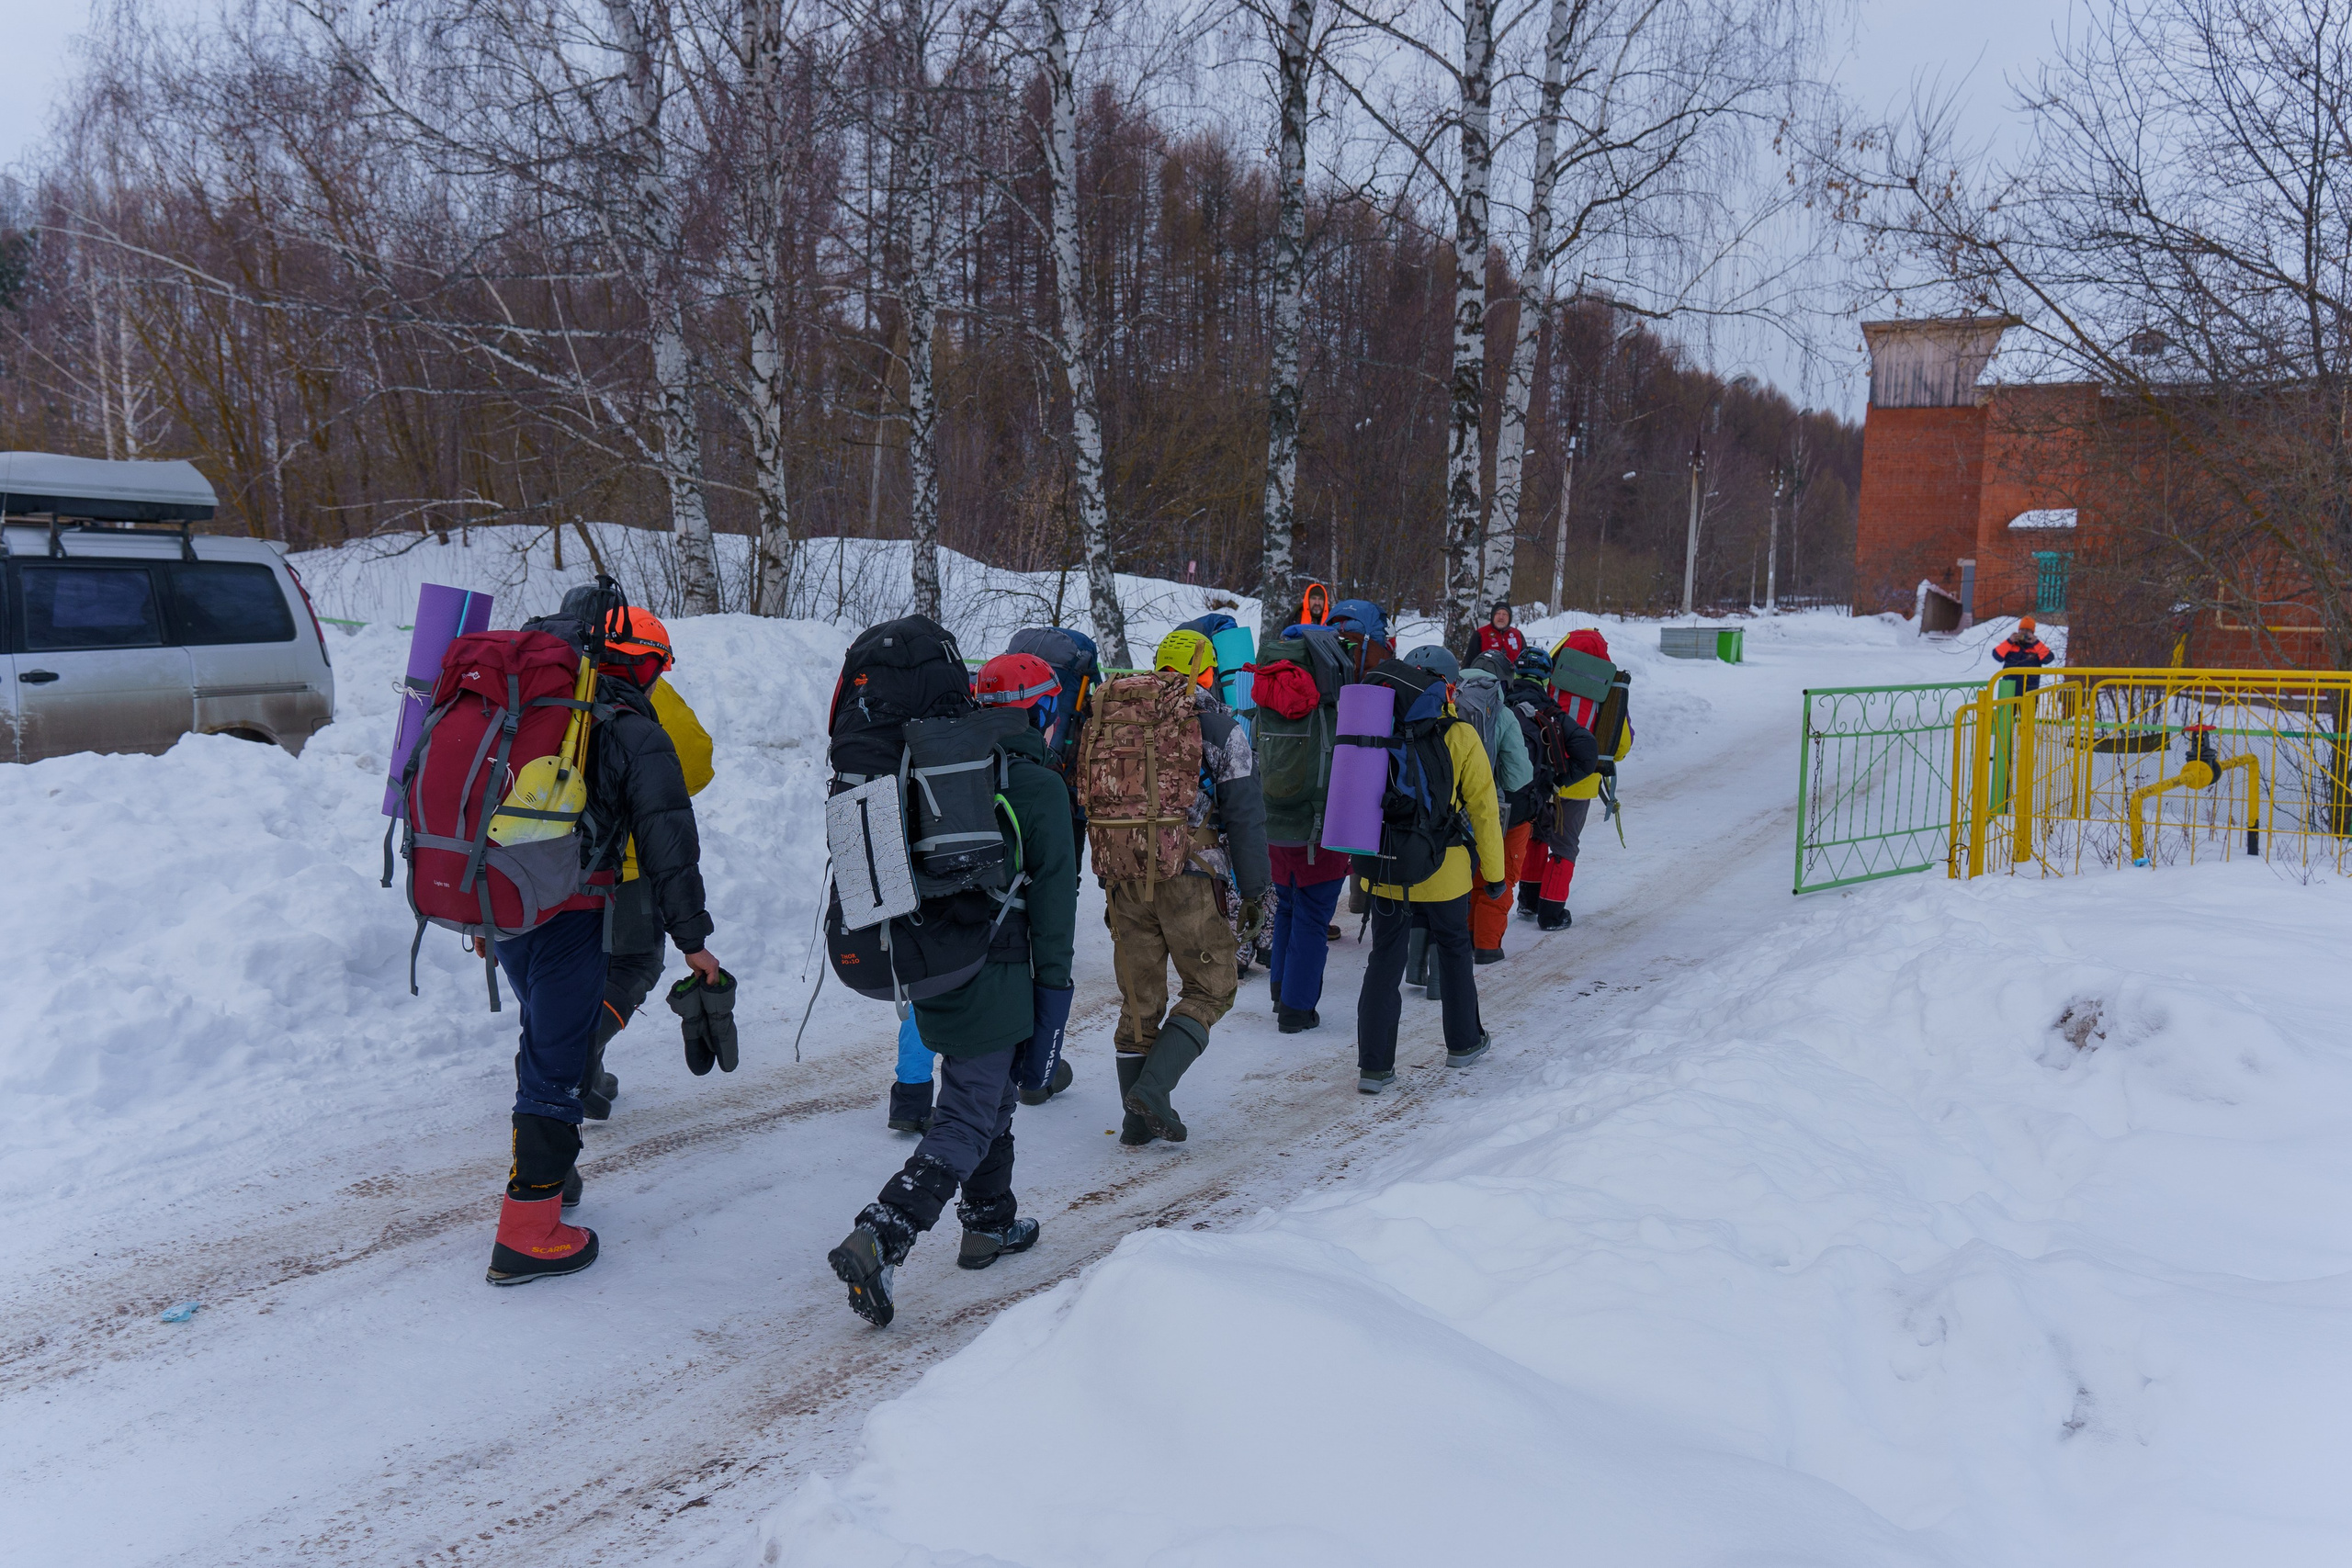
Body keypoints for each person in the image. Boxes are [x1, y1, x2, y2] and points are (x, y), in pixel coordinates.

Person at [828, 651, 1080, 1327]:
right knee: (967, 1114)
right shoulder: (1036, 786)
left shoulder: (930, 770)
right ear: (1042, 711)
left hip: (933, 963)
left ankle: (989, 1221)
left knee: (989, 1096)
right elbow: (1055, 906)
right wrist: (1054, 991)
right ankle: (882, 1232)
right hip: (996, 974)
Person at [487, 597, 721, 1286]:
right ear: (638, 661)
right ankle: (527, 1233)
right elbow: (671, 836)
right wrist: (693, 940)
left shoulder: (519, 693)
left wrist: (480, 910)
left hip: (507, 894)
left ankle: (549, 1181)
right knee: (558, 1062)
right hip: (578, 903)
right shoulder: (629, 718)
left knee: (547, 1038)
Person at [1085, 628, 1270, 1145]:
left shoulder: (1113, 722)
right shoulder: (1221, 728)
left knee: (1139, 1001)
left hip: (1124, 878)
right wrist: (1256, 892)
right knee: (1212, 988)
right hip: (1192, 879)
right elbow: (1245, 816)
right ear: (1208, 672)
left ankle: (1135, 1125)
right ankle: (1153, 1091)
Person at [552, 592, 716, 1123]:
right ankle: (572, 1062)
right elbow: (696, 763)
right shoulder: (638, 687)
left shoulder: (538, 680)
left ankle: (578, 1064)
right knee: (635, 962)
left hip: (534, 865)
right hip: (621, 862)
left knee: (557, 972)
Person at [1354, 657, 1506, 1095]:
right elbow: (1484, 810)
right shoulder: (1460, 734)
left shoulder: (1376, 727)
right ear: (1446, 687)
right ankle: (1464, 1043)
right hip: (1444, 870)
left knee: (1385, 957)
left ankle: (1374, 1068)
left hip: (1387, 866)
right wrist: (1494, 874)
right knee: (1454, 949)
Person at [1518, 627, 1624, 931]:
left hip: (1543, 772)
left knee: (1538, 834)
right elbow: (1621, 742)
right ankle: (1551, 914)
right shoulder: (1611, 687)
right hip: (1581, 780)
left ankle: (1528, 901)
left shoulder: (1551, 677)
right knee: (1565, 845)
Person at [1458, 649, 1535, 965]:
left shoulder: (1446, 700)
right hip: (1495, 809)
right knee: (1498, 873)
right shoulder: (1502, 713)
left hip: (1450, 810)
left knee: (1465, 873)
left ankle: (1465, 935)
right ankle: (1487, 945)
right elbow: (1518, 776)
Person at [1994, 616, 2056, 693]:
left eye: (2027, 631)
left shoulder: (2036, 648)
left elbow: (2048, 658)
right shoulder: (2011, 645)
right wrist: (2009, 641)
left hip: (2029, 690)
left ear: (2032, 633)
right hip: (2009, 689)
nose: (2023, 633)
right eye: (2022, 630)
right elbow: (1997, 656)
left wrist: (2036, 642)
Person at [1469, 601, 1525, 666]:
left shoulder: (1518, 635)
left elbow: (1525, 660)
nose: (1501, 617)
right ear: (1493, 616)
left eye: (1505, 614)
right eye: (1498, 613)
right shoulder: (1480, 634)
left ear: (1509, 617)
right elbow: (1469, 663)